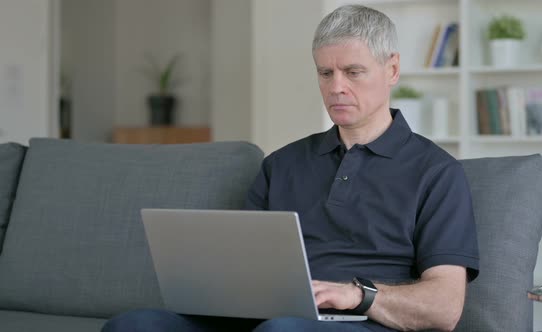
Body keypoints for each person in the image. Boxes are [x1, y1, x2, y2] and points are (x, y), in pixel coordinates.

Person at [102, 5, 478, 332]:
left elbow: (445, 307)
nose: (336, 87)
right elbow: (242, 267)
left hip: (365, 322)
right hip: (266, 319)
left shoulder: (437, 172)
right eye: (325, 73)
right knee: (133, 324)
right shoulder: (282, 164)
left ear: (392, 69)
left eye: (353, 72)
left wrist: (356, 295)